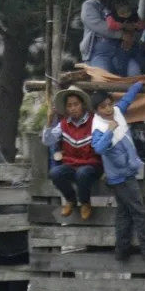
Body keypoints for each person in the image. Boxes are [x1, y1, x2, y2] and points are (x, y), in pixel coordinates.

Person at [90, 83, 145, 263]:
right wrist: (110, 130)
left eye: (109, 104)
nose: (108, 109)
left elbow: (127, 99)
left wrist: (139, 84)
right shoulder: (99, 127)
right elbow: (98, 148)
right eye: (102, 107)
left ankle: (122, 251)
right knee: (138, 211)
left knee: (124, 213)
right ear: (96, 111)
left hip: (126, 171)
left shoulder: (117, 112)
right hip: (120, 176)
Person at [42, 86, 101, 220]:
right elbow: (47, 141)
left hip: (92, 165)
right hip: (71, 164)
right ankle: (71, 200)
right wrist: (49, 121)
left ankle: (85, 203)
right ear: (66, 108)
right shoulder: (63, 124)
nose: (73, 108)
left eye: (76, 104)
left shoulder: (94, 121)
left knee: (82, 173)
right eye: (69, 105)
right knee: (55, 173)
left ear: (83, 105)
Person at [80, 0, 124, 74]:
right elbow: (102, 27)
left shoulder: (117, 3)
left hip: (121, 50)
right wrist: (122, 34)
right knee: (104, 79)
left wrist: (129, 35)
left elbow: (129, 19)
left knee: (134, 73)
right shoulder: (88, 6)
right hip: (98, 54)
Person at [106, 0, 145, 77]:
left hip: (135, 44)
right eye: (122, 13)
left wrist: (136, 25)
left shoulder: (134, 15)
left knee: (143, 62)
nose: (126, 14)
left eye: (128, 11)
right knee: (122, 66)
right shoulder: (113, 17)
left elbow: (143, 25)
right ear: (116, 12)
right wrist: (123, 26)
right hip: (121, 47)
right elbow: (110, 24)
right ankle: (123, 82)